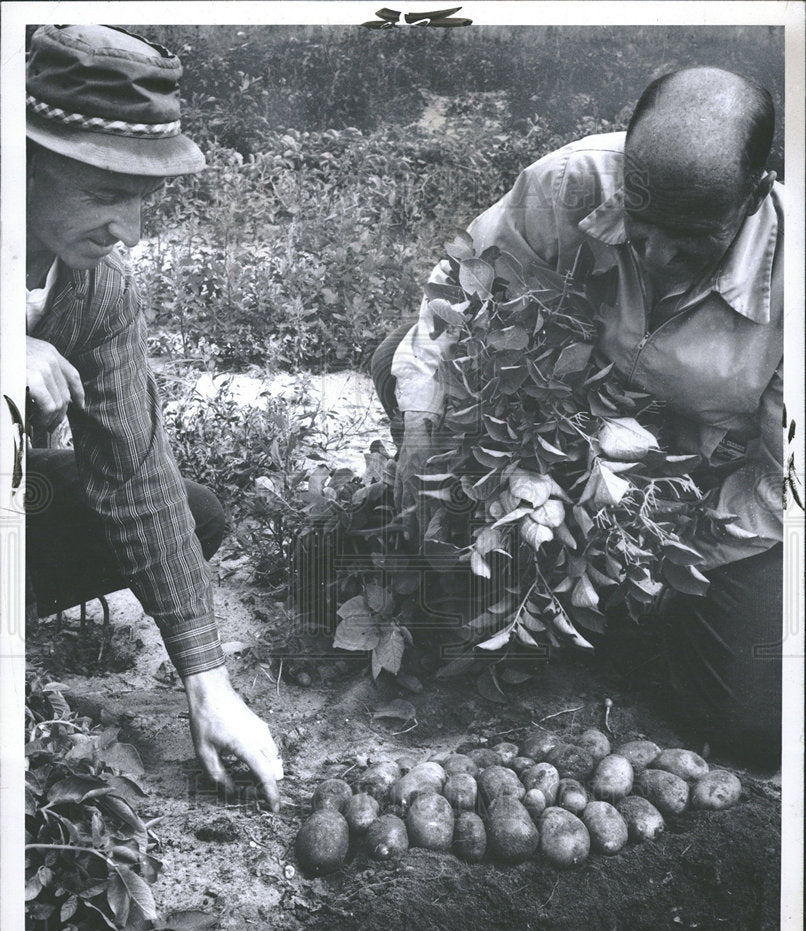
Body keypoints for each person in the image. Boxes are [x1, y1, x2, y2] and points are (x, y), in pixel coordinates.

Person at [374, 67, 784, 766]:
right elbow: (457, 310)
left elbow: (782, 487)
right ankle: (515, 575)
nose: (657, 258)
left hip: (711, 486)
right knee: (399, 364)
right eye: (644, 227)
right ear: (627, 167)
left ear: (753, 196)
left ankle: (641, 616)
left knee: (752, 724)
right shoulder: (570, 185)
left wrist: (655, 556)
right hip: (577, 428)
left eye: (692, 240)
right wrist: (423, 441)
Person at [24, 24, 284, 807]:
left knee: (188, 513)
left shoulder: (98, 286)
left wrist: (207, 681)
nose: (127, 233)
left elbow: (133, 476)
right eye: (104, 194)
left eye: (140, 200)